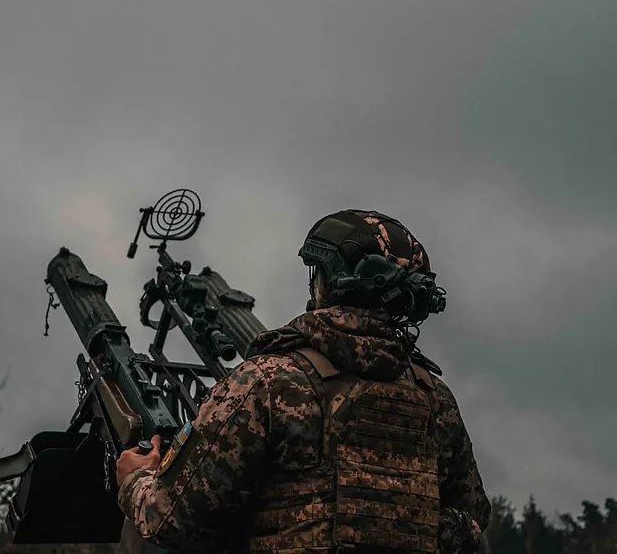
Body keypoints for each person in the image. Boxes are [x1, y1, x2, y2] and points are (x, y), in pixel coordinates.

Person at [115, 209, 491, 553]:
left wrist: (136, 479)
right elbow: (473, 516)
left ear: (328, 282)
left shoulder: (267, 382)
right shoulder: (434, 398)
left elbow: (173, 520)